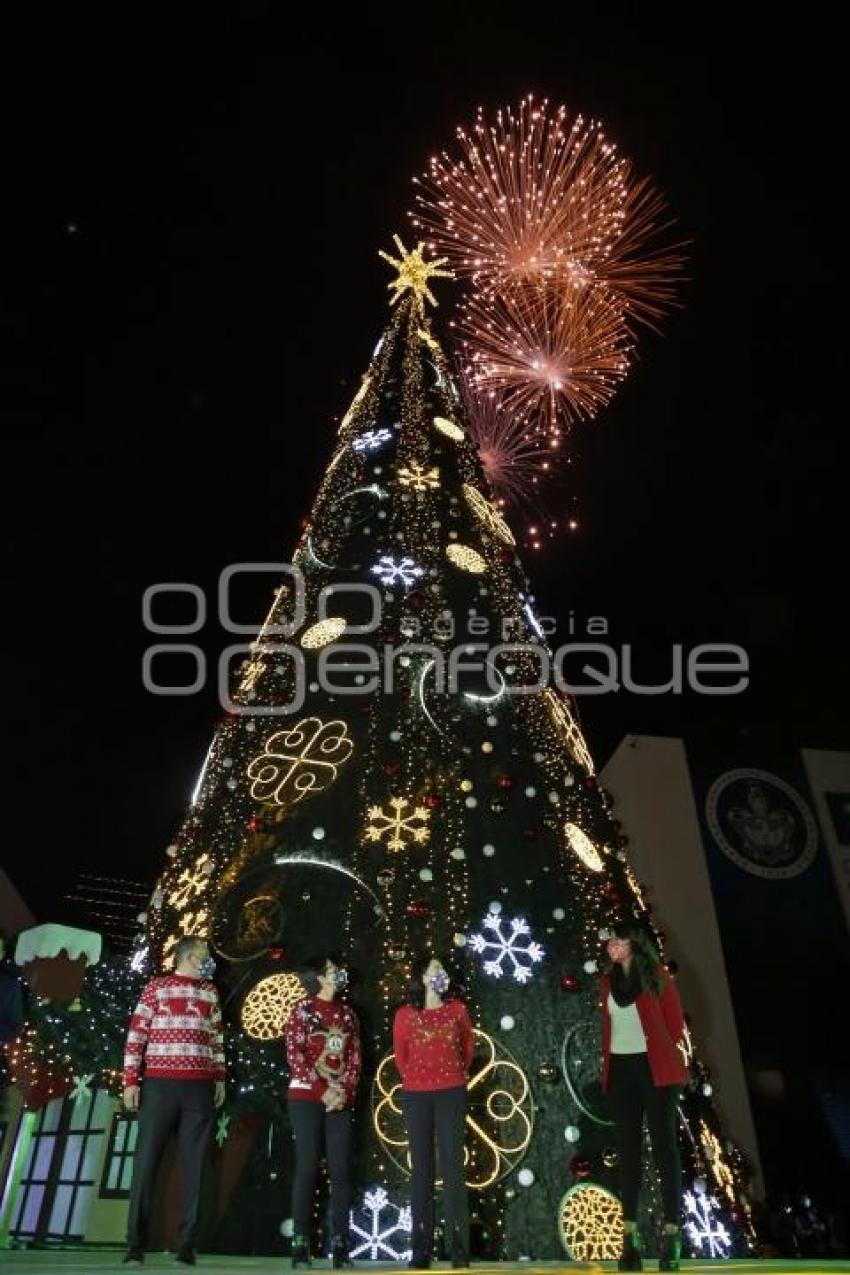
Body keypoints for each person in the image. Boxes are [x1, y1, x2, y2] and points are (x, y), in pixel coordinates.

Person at [122, 935, 225, 1267]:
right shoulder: (157, 987)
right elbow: (136, 1033)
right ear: (188, 956)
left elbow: (217, 1036)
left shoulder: (210, 992)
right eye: (204, 955)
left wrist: (219, 1076)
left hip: (200, 1086)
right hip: (160, 1085)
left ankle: (187, 1245)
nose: (209, 960)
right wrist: (130, 1081)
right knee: (147, 1161)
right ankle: (135, 1244)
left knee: (195, 1166)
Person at [600, 922, 689, 1272]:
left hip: (657, 1071)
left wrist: (656, 1050)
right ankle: (630, 1240)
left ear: (634, 945)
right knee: (629, 1152)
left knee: (664, 1148)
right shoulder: (607, 982)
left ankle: (671, 1236)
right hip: (621, 1073)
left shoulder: (656, 977)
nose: (612, 946)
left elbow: (675, 1024)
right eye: (611, 941)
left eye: (619, 940)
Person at [393, 955, 474, 1269]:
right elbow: (401, 1057)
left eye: (442, 969)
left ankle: (459, 1250)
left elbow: (467, 1048)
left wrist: (452, 1076)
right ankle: (420, 1250)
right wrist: (419, 1078)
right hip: (416, 1095)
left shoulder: (458, 1010)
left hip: (451, 1092)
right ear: (422, 977)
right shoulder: (404, 1014)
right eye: (433, 969)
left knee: (454, 1168)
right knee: (422, 1171)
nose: (438, 974)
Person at [285, 953, 360, 1268]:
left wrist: (344, 1091)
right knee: (307, 1168)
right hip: (305, 1096)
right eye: (332, 970)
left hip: (339, 1100)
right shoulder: (302, 1011)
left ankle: (340, 1243)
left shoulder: (348, 1014)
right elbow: (295, 1055)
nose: (338, 974)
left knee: (340, 1169)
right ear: (318, 976)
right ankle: (301, 1243)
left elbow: (355, 1057)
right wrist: (322, 1091)